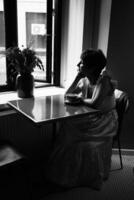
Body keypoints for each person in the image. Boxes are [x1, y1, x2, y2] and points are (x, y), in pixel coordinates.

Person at [45, 49, 118, 190]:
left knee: (76, 140)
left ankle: (81, 176)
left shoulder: (104, 80)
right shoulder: (85, 80)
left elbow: (96, 104)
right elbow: (67, 94)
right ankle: (64, 172)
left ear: (92, 67)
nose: (78, 64)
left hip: (104, 121)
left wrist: (79, 99)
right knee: (67, 129)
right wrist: (78, 78)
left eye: (82, 62)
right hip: (90, 117)